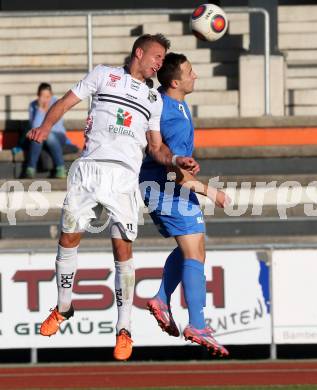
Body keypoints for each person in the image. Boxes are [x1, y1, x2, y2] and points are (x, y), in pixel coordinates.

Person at [26, 34, 199, 361]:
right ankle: (63, 307)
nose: (159, 63)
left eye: (163, 60)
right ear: (139, 52)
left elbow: (157, 147)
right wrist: (47, 127)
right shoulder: (104, 74)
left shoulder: (154, 99)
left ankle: (124, 329)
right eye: (157, 56)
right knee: (68, 238)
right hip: (89, 168)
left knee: (122, 247)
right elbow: (64, 102)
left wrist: (176, 160)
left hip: (124, 178)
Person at [139, 53, 230, 356]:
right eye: (191, 72)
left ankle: (162, 299)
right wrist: (211, 193)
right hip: (167, 188)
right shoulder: (173, 114)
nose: (196, 76)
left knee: (192, 248)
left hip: (166, 185)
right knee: (195, 252)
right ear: (175, 81)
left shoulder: (173, 104)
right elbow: (174, 172)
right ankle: (197, 324)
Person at [25, 83, 69, 179]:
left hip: (58, 135)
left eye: (48, 96)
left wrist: (44, 131)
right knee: (37, 136)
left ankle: (61, 168)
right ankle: (30, 169)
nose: (45, 99)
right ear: (38, 96)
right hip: (42, 136)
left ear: (52, 95)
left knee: (47, 135)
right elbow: (34, 126)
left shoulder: (57, 103)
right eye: (42, 96)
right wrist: (40, 109)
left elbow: (56, 126)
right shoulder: (33, 105)